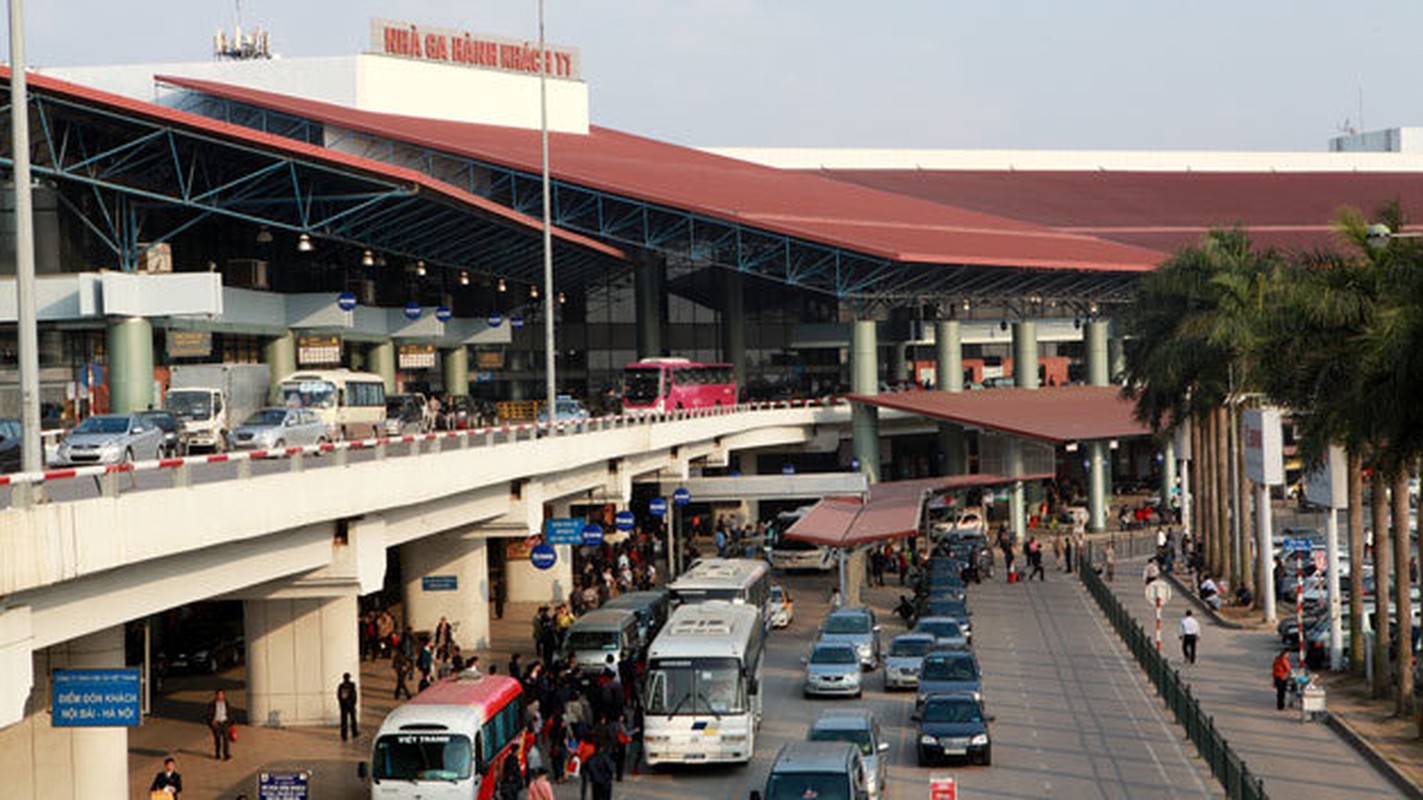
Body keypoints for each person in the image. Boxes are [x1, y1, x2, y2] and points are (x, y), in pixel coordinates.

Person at [205, 689, 233, 760]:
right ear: (216, 695)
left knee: (226, 739)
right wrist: (212, 721)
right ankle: (217, 753)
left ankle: (226, 754)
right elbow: (208, 714)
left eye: (221, 694)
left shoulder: (226, 703)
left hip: (224, 722)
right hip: (216, 723)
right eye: (219, 695)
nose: (220, 696)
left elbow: (229, 713)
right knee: (217, 739)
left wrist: (230, 722)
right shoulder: (212, 704)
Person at [337, 672, 359, 741]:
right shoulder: (352, 685)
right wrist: (353, 703)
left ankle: (344, 735)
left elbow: (339, 696)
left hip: (344, 706)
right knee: (352, 720)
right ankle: (354, 733)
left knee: (344, 721)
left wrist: (341, 704)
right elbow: (354, 695)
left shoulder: (341, 686)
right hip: (350, 705)